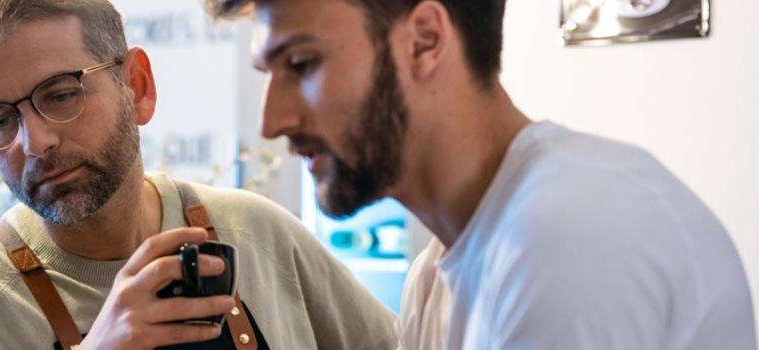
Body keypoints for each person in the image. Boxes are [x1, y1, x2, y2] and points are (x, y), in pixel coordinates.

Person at [204, 0, 756, 349]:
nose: (273, 122)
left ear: (424, 39)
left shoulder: (565, 237)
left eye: (301, 64)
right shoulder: (435, 275)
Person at [0, 0, 399, 349]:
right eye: (1, 120)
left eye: (60, 94)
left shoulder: (256, 232)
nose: (36, 142)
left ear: (136, 86)